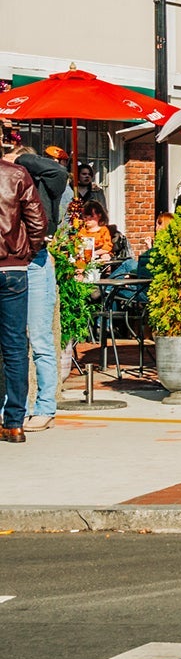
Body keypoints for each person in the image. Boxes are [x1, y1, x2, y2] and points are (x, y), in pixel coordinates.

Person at [1, 138, 65, 431]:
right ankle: (17, 408)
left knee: (39, 339)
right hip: (16, 262)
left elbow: (58, 171)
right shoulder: (11, 182)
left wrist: (20, 160)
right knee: (15, 340)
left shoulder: (46, 183)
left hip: (35, 261)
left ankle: (45, 406)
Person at [0, 154, 47, 444]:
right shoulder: (17, 174)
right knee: (16, 346)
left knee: (15, 346)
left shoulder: (17, 174)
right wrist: (25, 254)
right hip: (13, 268)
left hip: (14, 263)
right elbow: (38, 222)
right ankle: (15, 422)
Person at [73, 200, 114, 269]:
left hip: (100, 254)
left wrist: (95, 253)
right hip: (85, 256)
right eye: (85, 217)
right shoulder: (82, 231)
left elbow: (107, 247)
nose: (87, 219)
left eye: (91, 217)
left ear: (99, 215)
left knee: (106, 257)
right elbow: (77, 245)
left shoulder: (103, 230)